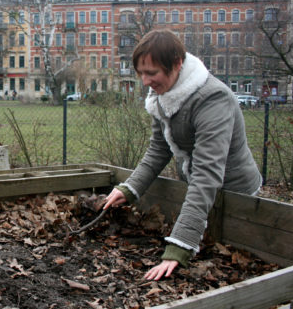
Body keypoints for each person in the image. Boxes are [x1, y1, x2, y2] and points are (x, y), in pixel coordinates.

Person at [103, 29, 261, 281]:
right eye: (141, 73)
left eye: (151, 73)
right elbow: (159, 148)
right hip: (200, 194)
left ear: (177, 64)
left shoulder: (213, 99)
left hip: (235, 195)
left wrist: (179, 245)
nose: (144, 82)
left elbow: (207, 173)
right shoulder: (162, 94)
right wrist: (131, 188)